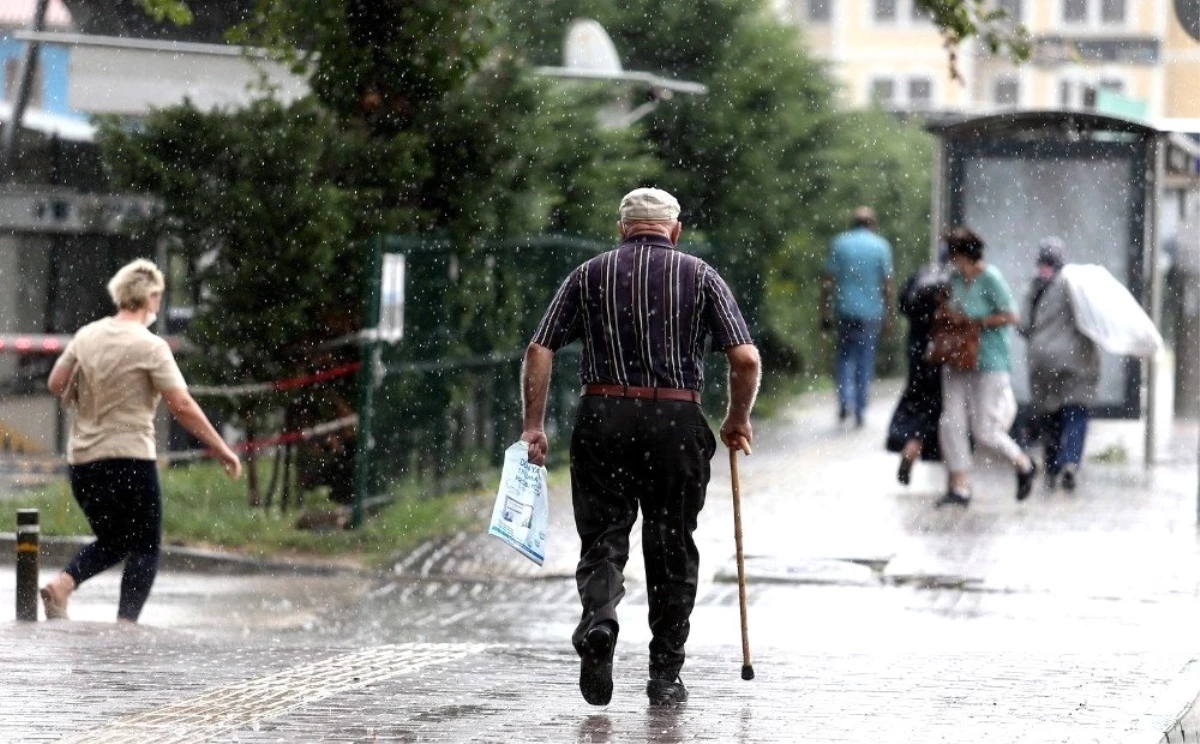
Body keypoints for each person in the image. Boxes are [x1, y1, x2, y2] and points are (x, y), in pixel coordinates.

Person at [521, 187, 760, 707]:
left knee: (604, 535)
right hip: (675, 422)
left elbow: (540, 348)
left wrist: (533, 425)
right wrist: (736, 417)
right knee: (671, 544)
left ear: (621, 228)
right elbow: (744, 359)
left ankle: (600, 620)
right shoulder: (701, 276)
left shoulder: (588, 274)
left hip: (603, 415)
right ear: (674, 230)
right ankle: (665, 674)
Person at [39, 259, 242, 623]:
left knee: (115, 540)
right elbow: (180, 403)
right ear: (149, 296)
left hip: (84, 461)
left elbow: (56, 382)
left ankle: (63, 584)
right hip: (130, 458)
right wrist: (221, 447)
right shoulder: (151, 346)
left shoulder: (87, 335)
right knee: (146, 544)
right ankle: (126, 625)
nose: (159, 304)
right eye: (159, 297)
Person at [936, 227, 1036, 507]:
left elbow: (1012, 315)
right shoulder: (954, 280)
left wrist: (978, 323)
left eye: (953, 255)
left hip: (989, 359)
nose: (951, 260)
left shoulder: (990, 278)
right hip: (957, 358)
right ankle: (959, 485)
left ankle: (1022, 463)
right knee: (951, 422)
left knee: (984, 429)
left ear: (963, 254)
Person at [1019, 238, 1100, 492]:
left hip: (1042, 360)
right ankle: (1071, 463)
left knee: (1050, 415)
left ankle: (1052, 466)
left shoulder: (1033, 287)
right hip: (1075, 359)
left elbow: (1022, 326)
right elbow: (1092, 318)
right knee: (1076, 412)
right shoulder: (1074, 284)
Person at [821, 206, 894, 428]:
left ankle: (845, 401)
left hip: (845, 310)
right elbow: (887, 285)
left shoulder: (840, 244)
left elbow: (828, 281)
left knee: (844, 358)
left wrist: (825, 311)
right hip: (871, 313)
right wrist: (889, 316)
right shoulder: (881, 246)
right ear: (872, 223)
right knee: (865, 360)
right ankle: (860, 408)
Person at [886, 258, 948, 485]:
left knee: (915, 399)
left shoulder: (921, 274)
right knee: (937, 407)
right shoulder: (953, 281)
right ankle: (919, 448)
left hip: (916, 349)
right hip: (940, 351)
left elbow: (903, 304)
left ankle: (907, 442)